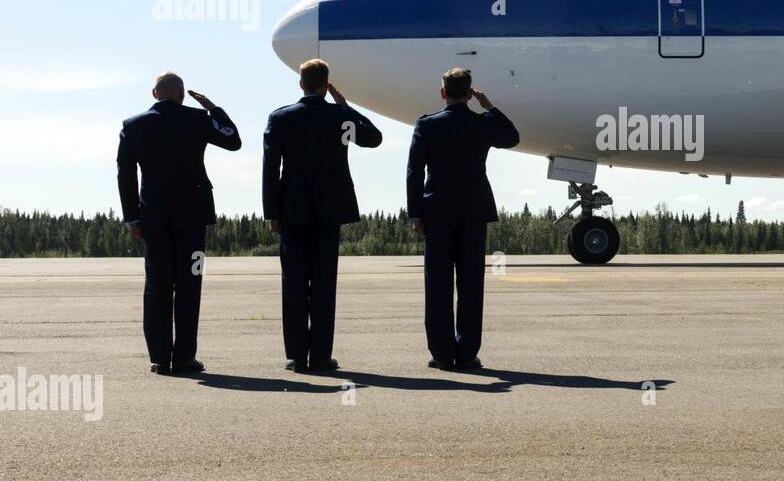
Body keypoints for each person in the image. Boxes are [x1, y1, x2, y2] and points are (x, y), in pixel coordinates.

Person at [116, 72, 242, 374]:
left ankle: (159, 357)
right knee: (189, 284)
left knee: (157, 286)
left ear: (154, 93)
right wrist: (213, 108)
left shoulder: (133, 126)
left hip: (153, 219)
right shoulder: (198, 119)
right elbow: (233, 140)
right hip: (193, 217)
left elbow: (125, 175)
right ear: (181, 94)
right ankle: (184, 356)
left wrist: (132, 216)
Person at [262, 59, 382, 372]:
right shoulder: (339, 118)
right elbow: (373, 138)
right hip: (330, 210)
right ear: (326, 84)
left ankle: (296, 356)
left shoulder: (281, 118)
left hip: (292, 211)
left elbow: (270, 170)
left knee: (294, 285)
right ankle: (321, 356)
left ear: (301, 84)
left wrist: (271, 212)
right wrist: (346, 106)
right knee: (325, 285)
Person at [406, 67, 519, 370]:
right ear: (470, 93)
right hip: (473, 211)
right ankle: (467, 353)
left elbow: (414, 172)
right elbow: (512, 137)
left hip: (437, 212)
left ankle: (442, 354)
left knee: (438, 284)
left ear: (443, 93)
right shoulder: (481, 123)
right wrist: (490, 107)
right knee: (471, 284)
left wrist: (415, 213)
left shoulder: (427, 126)